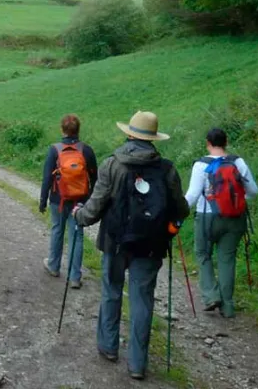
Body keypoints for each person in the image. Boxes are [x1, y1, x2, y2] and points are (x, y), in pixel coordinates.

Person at [72, 111, 189, 380]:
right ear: (154, 139)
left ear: (129, 134)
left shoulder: (113, 164)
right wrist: (169, 231)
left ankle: (108, 347)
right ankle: (137, 364)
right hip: (150, 246)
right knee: (142, 300)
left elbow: (95, 207)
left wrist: (79, 215)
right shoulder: (167, 169)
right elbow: (181, 210)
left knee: (112, 291)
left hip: (115, 242)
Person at [185, 128, 258, 318]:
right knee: (227, 259)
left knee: (203, 254)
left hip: (207, 218)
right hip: (235, 218)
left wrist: (177, 211)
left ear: (207, 142)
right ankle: (228, 307)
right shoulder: (238, 162)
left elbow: (193, 195)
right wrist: (235, 201)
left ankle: (211, 296)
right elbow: (253, 191)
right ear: (226, 142)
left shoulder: (201, 165)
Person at [39, 114, 98, 289]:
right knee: (77, 236)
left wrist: (43, 200)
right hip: (79, 202)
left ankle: (54, 266)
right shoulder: (86, 150)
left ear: (62, 130)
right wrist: (89, 199)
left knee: (57, 230)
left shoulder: (54, 150)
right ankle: (74, 277)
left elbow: (46, 179)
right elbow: (95, 178)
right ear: (78, 130)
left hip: (58, 199)